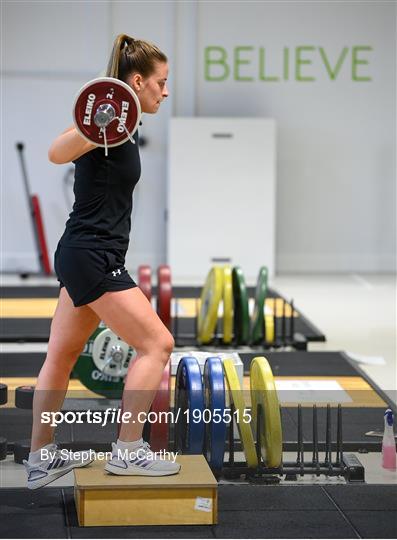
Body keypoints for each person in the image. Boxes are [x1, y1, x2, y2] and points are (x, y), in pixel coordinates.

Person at [24, 34, 180, 490]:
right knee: (158, 345)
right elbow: (56, 153)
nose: (165, 92)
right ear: (137, 82)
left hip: (86, 253)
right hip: (92, 256)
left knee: (62, 355)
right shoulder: (102, 128)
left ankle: (41, 456)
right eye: (161, 83)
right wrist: (95, 125)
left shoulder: (125, 130)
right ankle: (129, 451)